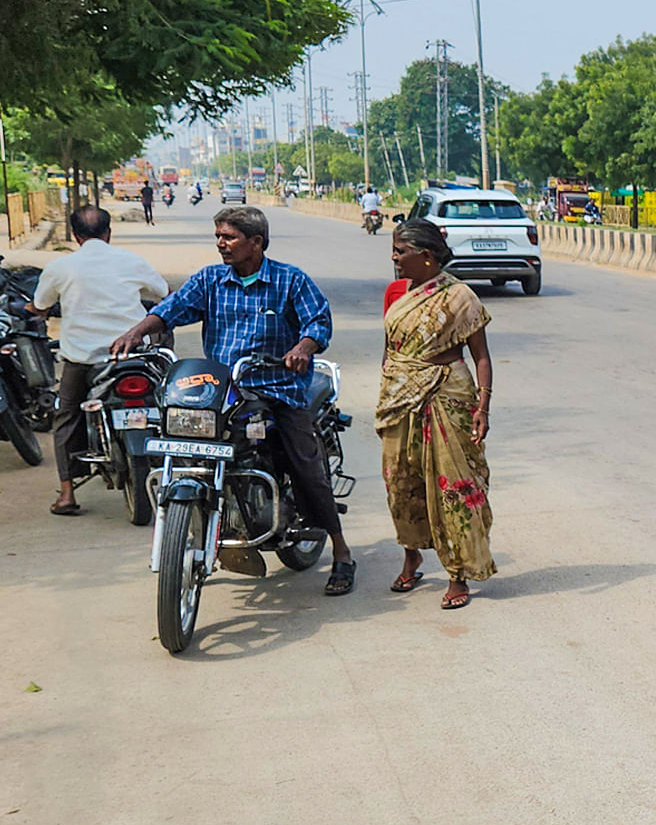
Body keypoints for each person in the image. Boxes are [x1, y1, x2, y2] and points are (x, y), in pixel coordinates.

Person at [109, 206, 357, 594]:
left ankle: (341, 552)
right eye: (219, 237)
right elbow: (170, 310)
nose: (221, 244)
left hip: (277, 388)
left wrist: (303, 348)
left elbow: (318, 323)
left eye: (229, 237)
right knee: (184, 439)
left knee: (304, 464)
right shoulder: (210, 280)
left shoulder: (290, 280)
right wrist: (138, 331)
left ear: (255, 243)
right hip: (222, 390)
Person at [378, 220, 496, 609]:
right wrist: (388, 391)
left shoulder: (460, 296)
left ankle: (457, 573)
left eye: (401, 251)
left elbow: (480, 355)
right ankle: (412, 554)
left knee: (450, 484)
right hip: (399, 395)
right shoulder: (396, 292)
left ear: (426, 257)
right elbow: (390, 348)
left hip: (448, 393)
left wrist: (483, 406)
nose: (394, 258)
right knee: (400, 482)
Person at [29, 205, 169, 516]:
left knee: (66, 415)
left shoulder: (59, 267)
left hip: (83, 359)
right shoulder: (132, 261)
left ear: (76, 235)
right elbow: (164, 295)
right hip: (132, 355)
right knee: (165, 403)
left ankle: (67, 494)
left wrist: (31, 309)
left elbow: (40, 305)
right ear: (108, 233)